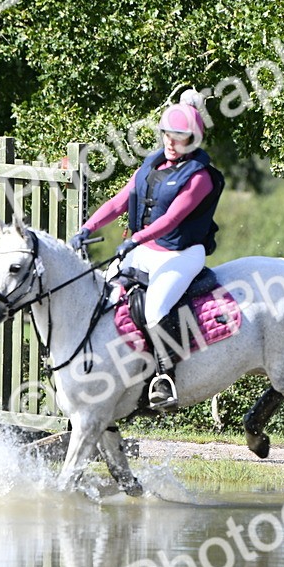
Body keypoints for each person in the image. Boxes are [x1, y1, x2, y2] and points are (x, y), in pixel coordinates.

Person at [69, 89, 224, 412]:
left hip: (180, 254)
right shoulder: (150, 166)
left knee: (154, 311)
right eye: (167, 134)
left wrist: (136, 239)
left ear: (193, 138)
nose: (170, 142)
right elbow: (118, 202)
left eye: (179, 136)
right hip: (145, 248)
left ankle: (165, 378)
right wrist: (87, 228)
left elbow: (172, 219)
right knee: (103, 296)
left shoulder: (200, 178)